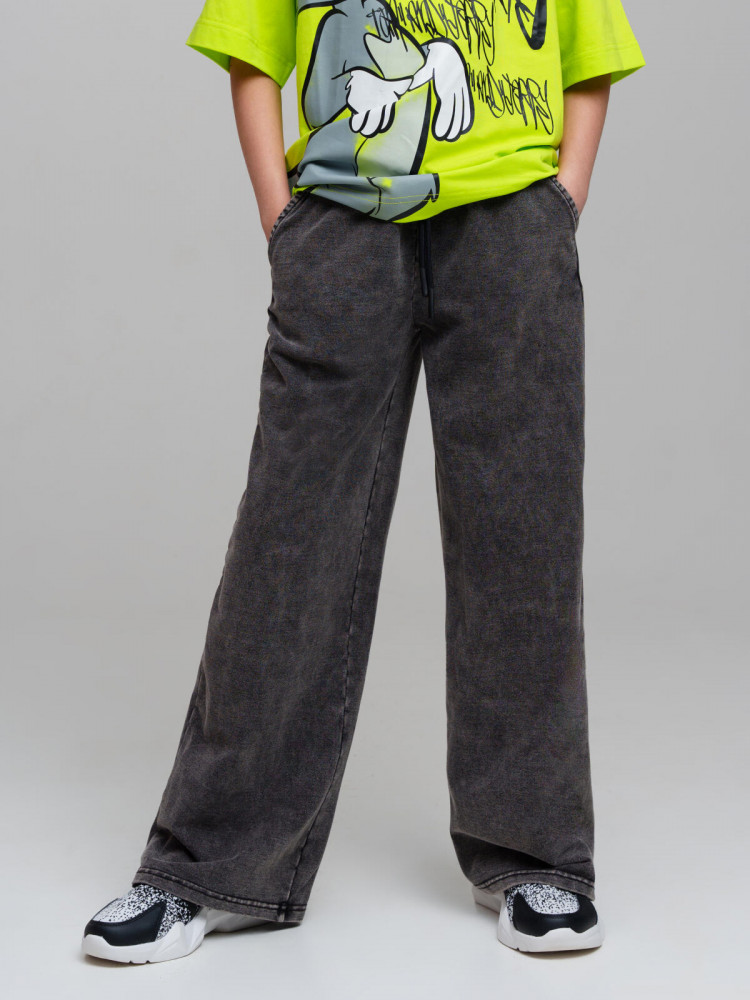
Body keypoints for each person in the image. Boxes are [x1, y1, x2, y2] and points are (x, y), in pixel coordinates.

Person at [81, 0, 645, 963]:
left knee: (523, 539)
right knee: (288, 541)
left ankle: (537, 856)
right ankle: (206, 866)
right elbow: (250, 54)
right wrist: (281, 218)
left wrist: (562, 200)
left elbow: (590, 52)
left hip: (512, 226)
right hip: (340, 228)